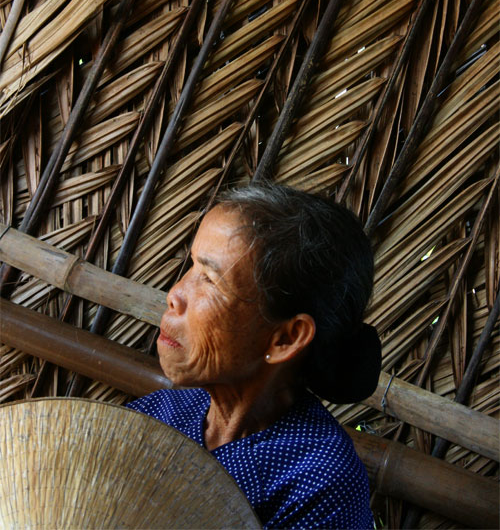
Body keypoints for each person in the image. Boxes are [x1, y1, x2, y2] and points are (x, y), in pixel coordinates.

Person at [128, 182, 381, 529]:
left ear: (286, 339)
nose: (175, 295)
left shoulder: (320, 484)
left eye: (210, 280)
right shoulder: (158, 416)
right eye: (191, 267)